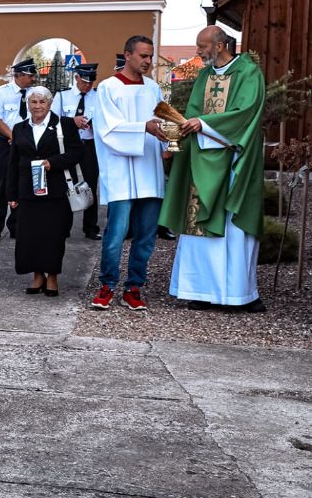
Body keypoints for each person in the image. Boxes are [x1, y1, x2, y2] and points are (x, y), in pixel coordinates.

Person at [161, 26, 267, 312]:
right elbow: (194, 111)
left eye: (202, 46)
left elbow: (247, 113)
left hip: (233, 162)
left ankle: (237, 295)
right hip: (202, 161)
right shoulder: (205, 76)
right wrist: (183, 126)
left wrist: (204, 124)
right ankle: (201, 290)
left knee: (232, 229)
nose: (198, 51)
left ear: (220, 45)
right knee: (197, 223)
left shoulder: (248, 73)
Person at [90, 35, 169, 311]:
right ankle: (107, 286)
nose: (148, 61)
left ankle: (134, 288)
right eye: (143, 56)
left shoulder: (153, 89)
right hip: (121, 171)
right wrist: (142, 128)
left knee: (146, 234)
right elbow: (107, 129)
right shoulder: (108, 88)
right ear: (127, 55)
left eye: (150, 56)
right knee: (116, 233)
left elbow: (164, 121)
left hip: (149, 168)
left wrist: (169, 139)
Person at [6, 87, 84, 296]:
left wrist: (52, 163)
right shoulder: (19, 128)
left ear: (50, 103)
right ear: (28, 105)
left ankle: (52, 277)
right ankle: (37, 275)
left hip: (56, 190)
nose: (38, 106)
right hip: (28, 191)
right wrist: (11, 194)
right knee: (29, 235)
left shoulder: (64, 125)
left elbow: (77, 152)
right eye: (33, 102)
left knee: (53, 235)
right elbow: (13, 162)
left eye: (42, 102)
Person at [0, 60, 37, 239]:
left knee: (22, 183)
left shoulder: (34, 94)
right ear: (20, 75)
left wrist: (23, 140)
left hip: (26, 144)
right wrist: (13, 137)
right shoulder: (2, 93)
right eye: (30, 75)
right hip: (4, 144)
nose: (33, 78)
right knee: (2, 184)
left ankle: (16, 225)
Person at [54, 63, 102, 239]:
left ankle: (91, 227)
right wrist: (71, 121)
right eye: (84, 82)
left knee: (90, 185)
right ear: (76, 78)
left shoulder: (98, 96)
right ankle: (63, 226)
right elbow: (53, 119)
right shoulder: (62, 95)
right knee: (67, 185)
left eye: (90, 82)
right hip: (68, 146)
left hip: (89, 146)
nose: (87, 85)